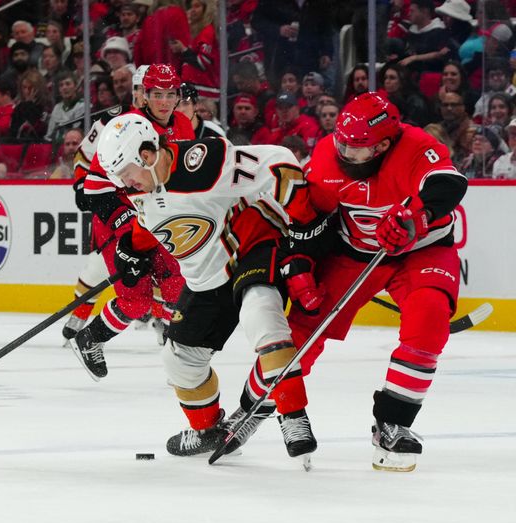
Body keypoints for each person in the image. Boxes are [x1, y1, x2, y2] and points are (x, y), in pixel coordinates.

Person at [91, 113, 317, 463]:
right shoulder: (142, 185)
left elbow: (278, 160)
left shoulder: (204, 163)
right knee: (178, 359)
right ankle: (210, 430)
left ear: (147, 155)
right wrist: (130, 250)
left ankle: (294, 415)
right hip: (207, 278)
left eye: (127, 176)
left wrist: (304, 229)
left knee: (261, 312)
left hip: (250, 246)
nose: (125, 185)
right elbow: (152, 218)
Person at [283, 92, 468, 471]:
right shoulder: (324, 156)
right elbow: (306, 220)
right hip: (353, 254)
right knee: (301, 325)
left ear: (384, 144)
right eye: (341, 143)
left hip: (422, 251)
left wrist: (417, 218)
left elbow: (449, 184)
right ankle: (261, 404)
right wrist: (298, 264)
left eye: (357, 149)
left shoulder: (418, 147)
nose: (345, 154)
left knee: (429, 317)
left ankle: (393, 423)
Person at [62, 64, 193, 347]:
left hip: (153, 218)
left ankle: (174, 339)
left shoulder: (182, 125)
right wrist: (126, 232)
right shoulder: (124, 126)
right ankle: (88, 338)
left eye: (171, 94)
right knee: (135, 300)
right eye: (158, 94)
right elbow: (94, 187)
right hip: (119, 218)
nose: (165, 101)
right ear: (144, 95)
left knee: (176, 285)